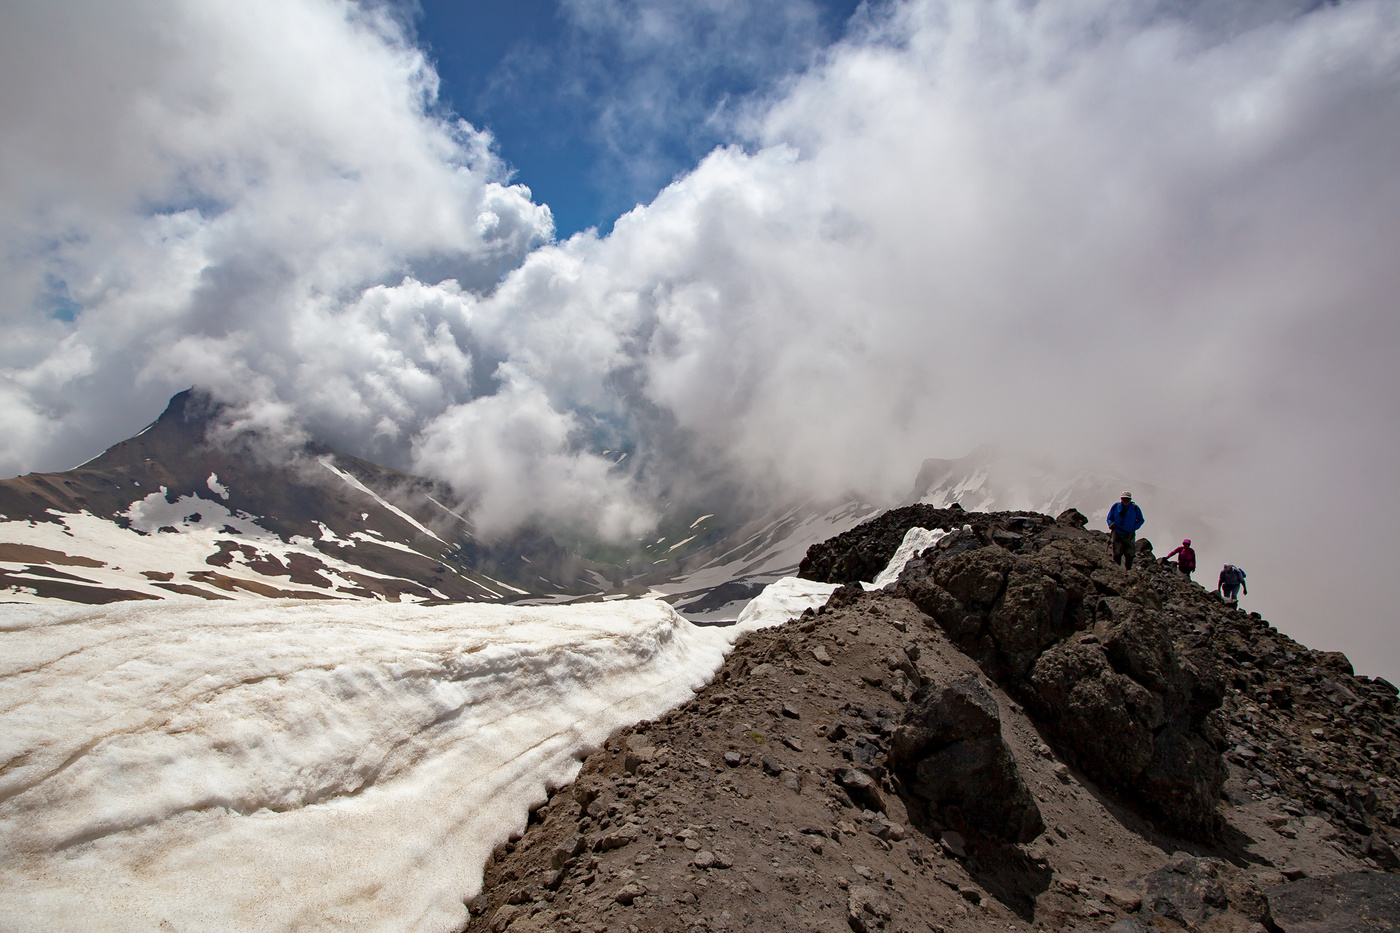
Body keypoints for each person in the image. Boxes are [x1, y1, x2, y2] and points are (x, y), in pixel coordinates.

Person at [1106, 491, 1145, 569]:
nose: (1126, 500)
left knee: (1130, 553)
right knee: (1117, 552)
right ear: (1121, 498)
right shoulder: (1116, 506)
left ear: (1130, 499)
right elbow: (1109, 518)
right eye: (1124, 498)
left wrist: (1134, 527)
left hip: (1129, 534)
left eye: (1127, 499)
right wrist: (1110, 524)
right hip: (1117, 532)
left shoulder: (1135, 508)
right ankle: (1117, 568)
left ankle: (1128, 569)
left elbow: (1141, 520)